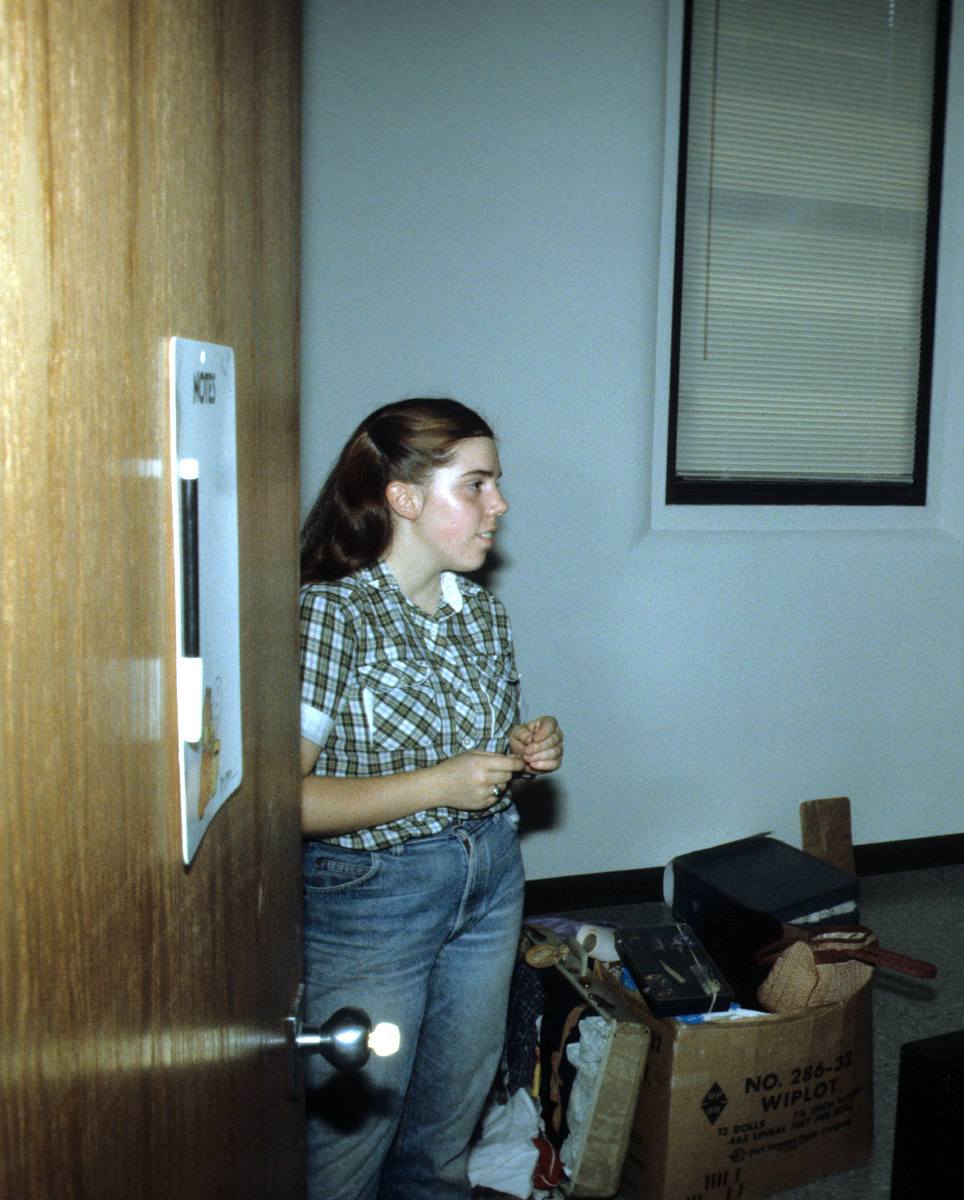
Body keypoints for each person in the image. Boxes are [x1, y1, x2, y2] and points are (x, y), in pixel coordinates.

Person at [297, 398, 563, 1200]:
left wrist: (526, 750)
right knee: (349, 1139)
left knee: (446, 1133)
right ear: (404, 497)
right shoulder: (330, 613)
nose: (499, 504)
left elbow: (483, 754)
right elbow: (281, 802)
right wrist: (438, 785)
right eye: (476, 485)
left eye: (496, 483)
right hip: (373, 898)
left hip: (490, 878)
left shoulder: (480, 612)